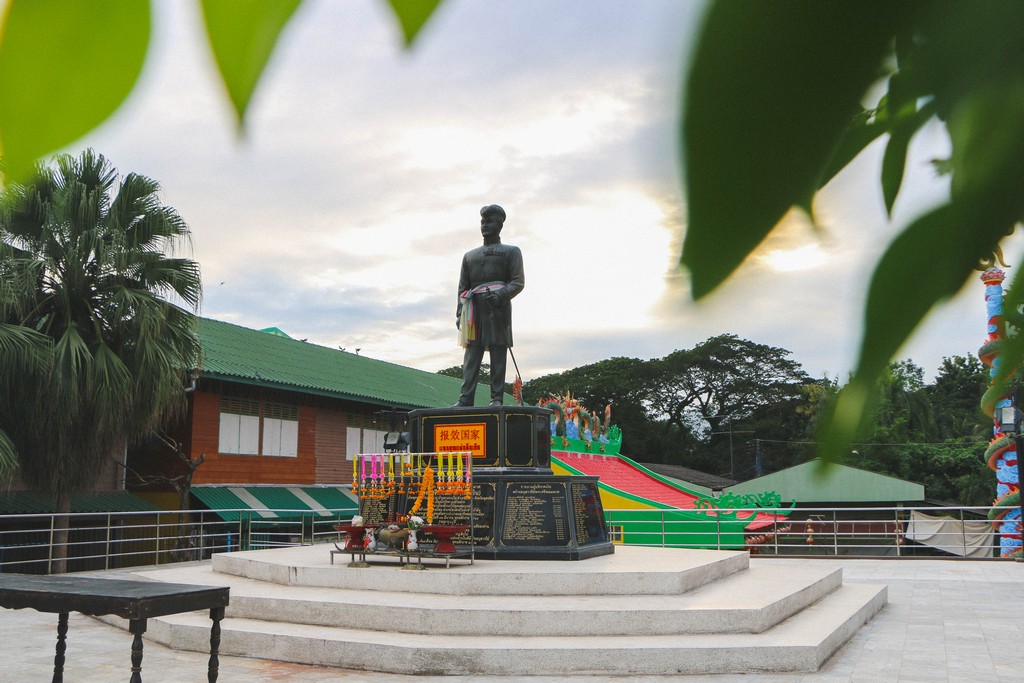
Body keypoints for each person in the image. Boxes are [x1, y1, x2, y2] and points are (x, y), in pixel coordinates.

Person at [454, 204, 525, 406]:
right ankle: (465, 398)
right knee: (472, 353)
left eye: (490, 221)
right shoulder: (470, 256)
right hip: (473, 309)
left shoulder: (511, 252)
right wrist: (460, 314)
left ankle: (497, 398)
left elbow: (518, 282)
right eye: (482, 222)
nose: (485, 225)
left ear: (500, 225)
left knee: (498, 350)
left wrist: (501, 295)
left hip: (497, 309)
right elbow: (462, 288)